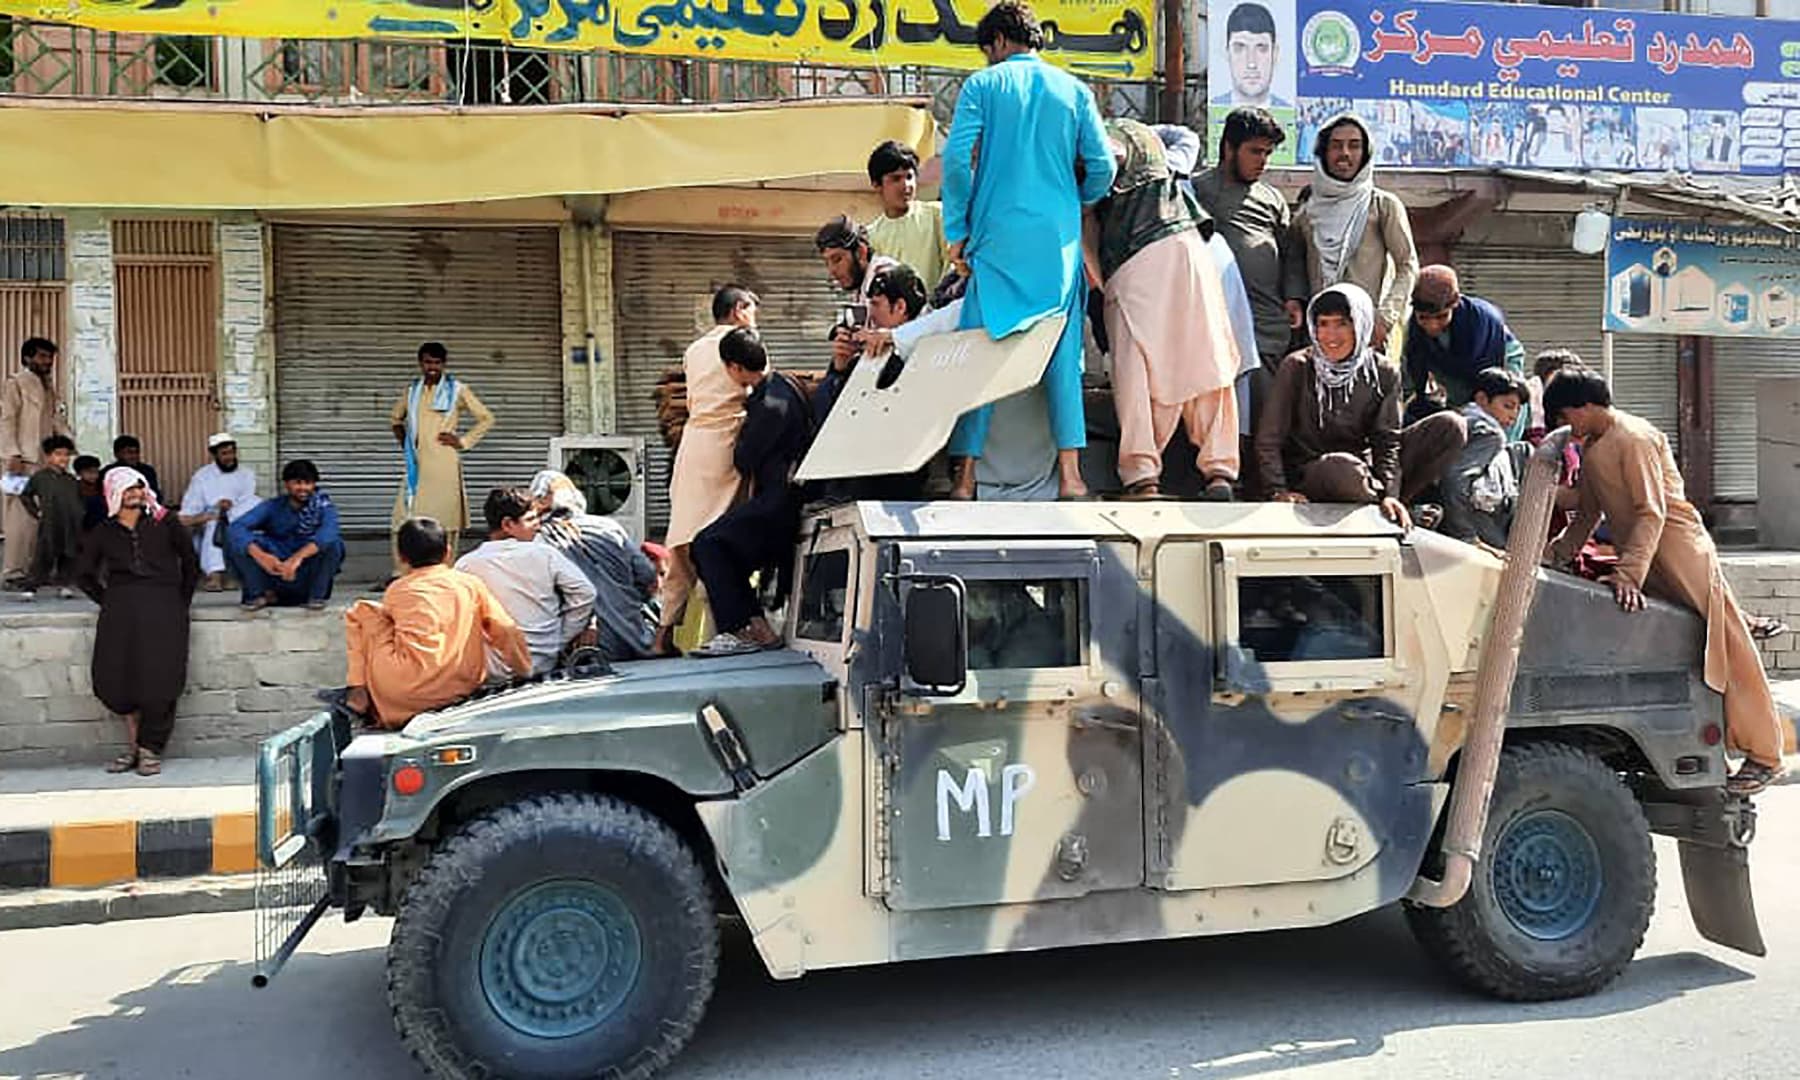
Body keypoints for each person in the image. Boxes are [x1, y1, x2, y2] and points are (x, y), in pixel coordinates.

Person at [1544, 370, 1786, 794]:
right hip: (1648, 556)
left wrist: (1628, 573)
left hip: (1678, 551)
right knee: (1687, 649)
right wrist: (1554, 556)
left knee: (1726, 644)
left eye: (1566, 414)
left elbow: (1651, 511)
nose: (1567, 425)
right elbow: (1588, 512)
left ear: (1584, 406)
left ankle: (1766, 755)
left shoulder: (1632, 437)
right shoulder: (1597, 445)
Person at [940, 0, 1116, 501]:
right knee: (1062, 357)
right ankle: (1072, 477)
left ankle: (966, 477)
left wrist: (957, 228)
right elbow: (1102, 166)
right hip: (1057, 247)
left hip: (994, 241)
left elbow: (955, 160)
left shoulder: (982, 86)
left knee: (980, 355)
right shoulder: (1075, 90)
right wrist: (1072, 202)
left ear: (996, 42)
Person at [1085, 119, 1242, 501]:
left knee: (1137, 365)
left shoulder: (1094, 144)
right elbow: (1186, 135)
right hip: (1189, 248)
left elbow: (1098, 182)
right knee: (1207, 356)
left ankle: (1142, 477)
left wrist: (1101, 281)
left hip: (1136, 260)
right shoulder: (1149, 138)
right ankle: (1220, 472)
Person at [1256, 283, 1465, 527]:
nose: (1330, 336)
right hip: (1316, 473)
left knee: (1451, 426)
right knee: (1340, 468)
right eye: (1323, 324)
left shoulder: (1384, 371)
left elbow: (1387, 441)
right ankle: (1392, 511)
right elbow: (1269, 438)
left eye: (1342, 324)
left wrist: (1390, 493)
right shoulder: (1297, 366)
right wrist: (1278, 490)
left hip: (1366, 472)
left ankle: (1393, 505)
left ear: (1361, 324)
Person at [339, 516, 531, 729]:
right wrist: (524, 672)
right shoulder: (469, 584)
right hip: (459, 689)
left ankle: (358, 690)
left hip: (401, 693)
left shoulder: (398, 589)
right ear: (448, 552)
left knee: (361, 612)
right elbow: (504, 629)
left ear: (401, 557)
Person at [1193, 108, 1298, 494]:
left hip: (1267, 326)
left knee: (1267, 416)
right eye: (1255, 152)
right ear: (1228, 148)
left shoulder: (1272, 198)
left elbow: (1291, 253)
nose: (1262, 161)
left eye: (1268, 153)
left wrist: (1294, 297)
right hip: (1217, 323)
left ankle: (1265, 489)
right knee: (1221, 408)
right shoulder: (1199, 190)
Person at [691, 328, 812, 653]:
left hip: (778, 505)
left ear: (734, 368)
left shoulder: (771, 402)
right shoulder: (782, 388)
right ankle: (759, 628)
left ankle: (738, 630)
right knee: (722, 554)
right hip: (782, 501)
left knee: (707, 545)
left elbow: (744, 459)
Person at [75, 467, 198, 777]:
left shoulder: (164, 521)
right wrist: (109, 601)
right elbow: (84, 574)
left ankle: (149, 750)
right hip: (121, 610)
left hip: (164, 606)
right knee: (119, 675)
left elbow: (191, 563)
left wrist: (179, 602)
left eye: (139, 488)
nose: (135, 494)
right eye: (128, 489)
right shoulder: (104, 531)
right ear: (114, 493)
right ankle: (133, 747)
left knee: (160, 677)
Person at [656, 285, 757, 656]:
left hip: (693, 447)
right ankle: (724, 631)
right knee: (719, 540)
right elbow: (756, 387)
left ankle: (662, 633)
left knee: (681, 540)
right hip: (725, 444)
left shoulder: (694, 350)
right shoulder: (742, 342)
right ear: (738, 310)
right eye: (751, 310)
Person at [1287, 114, 1419, 352]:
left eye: (1354, 145)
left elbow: (1407, 265)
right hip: (1321, 337)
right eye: (1336, 145)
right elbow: (1294, 265)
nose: (1345, 153)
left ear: (1366, 153)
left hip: (1368, 335)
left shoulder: (1382, 205)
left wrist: (1385, 319)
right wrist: (1295, 302)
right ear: (1323, 152)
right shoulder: (1307, 213)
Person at [818, 264, 932, 502]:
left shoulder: (927, 353)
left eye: (876, 305)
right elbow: (825, 414)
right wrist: (839, 367)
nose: (871, 315)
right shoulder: (866, 355)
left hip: (893, 488)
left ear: (900, 307)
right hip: (849, 485)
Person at [457, 487, 597, 676]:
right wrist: (561, 636)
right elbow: (586, 593)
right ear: (507, 524)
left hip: (491, 668)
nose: (538, 526)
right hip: (543, 661)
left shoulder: (465, 565)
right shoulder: (545, 554)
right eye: (530, 519)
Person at [529, 469, 658, 662]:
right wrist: (624, 599)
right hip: (636, 634)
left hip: (585, 644)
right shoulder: (609, 528)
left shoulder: (540, 541)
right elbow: (647, 575)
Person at [389, 341, 494, 572]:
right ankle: (401, 574)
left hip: (444, 462)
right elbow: (395, 420)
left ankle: (444, 572)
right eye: (428, 362)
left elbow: (486, 418)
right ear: (420, 363)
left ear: (444, 364)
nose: (432, 367)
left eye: (437, 363)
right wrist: (407, 444)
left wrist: (463, 441)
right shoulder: (411, 392)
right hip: (417, 464)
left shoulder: (458, 390)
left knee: (446, 521)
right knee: (402, 518)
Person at [1404, 265, 1527, 435]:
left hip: (1499, 361)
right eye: (1423, 318)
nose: (1432, 326)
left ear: (1455, 306)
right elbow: (1407, 381)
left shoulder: (1481, 322)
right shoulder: (1415, 334)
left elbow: (1499, 389)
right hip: (1453, 374)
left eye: (1441, 316)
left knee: (1504, 411)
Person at [227, 459, 345, 611]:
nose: (303, 488)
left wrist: (296, 559)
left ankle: (316, 597)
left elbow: (328, 534)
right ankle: (257, 595)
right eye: (297, 483)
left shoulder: (324, 507)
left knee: (334, 544)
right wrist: (262, 557)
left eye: (308, 483)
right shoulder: (272, 506)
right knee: (238, 540)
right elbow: (236, 528)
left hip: (305, 572)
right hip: (275, 570)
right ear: (287, 484)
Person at [2, 337, 73, 590]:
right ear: (28, 358)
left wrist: (69, 447)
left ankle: (36, 570)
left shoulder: (49, 386)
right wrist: (12, 454)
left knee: (42, 517)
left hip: (45, 462)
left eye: (50, 357)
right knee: (19, 517)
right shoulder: (16, 383)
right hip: (21, 460)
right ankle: (13, 572)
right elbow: (6, 419)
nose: (47, 362)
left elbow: (57, 421)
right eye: (42, 357)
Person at [1441, 368, 1530, 550]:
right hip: (1472, 527)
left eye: (1518, 409)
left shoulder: (1462, 417)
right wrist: (1466, 535)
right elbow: (1455, 480)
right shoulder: (1489, 434)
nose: (1513, 416)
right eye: (1508, 406)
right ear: (1482, 399)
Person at [817, 215, 901, 381]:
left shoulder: (883, 276)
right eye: (827, 262)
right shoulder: (862, 286)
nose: (832, 270)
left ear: (861, 252)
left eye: (837, 259)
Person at [178, 432, 262, 592]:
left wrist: (231, 508)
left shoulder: (247, 474)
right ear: (214, 455)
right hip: (211, 519)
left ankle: (235, 574)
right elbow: (188, 513)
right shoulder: (202, 477)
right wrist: (216, 509)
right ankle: (215, 574)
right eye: (224, 454)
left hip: (239, 517)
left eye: (232, 452)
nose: (229, 457)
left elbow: (247, 501)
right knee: (215, 523)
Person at [865, 140, 948, 292]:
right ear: (877, 185)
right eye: (896, 179)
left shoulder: (937, 216)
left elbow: (952, 267)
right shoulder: (871, 236)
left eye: (909, 177)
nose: (906, 185)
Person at [20, 434, 82, 598]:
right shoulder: (40, 477)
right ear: (48, 457)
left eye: (66, 454)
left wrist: (80, 514)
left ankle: (64, 585)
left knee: (68, 554)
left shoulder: (71, 480)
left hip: (70, 523)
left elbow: (79, 500)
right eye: (58, 454)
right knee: (43, 554)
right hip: (49, 522)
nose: (63, 458)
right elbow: (25, 495)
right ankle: (30, 587)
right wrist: (36, 512)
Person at [1211, 3, 1292, 109]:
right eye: (1240, 48)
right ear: (1227, 52)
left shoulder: (1289, 111)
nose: (1251, 64)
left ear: (1275, 54)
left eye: (1261, 48)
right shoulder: (1213, 108)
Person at [99, 435, 162, 503]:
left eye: (136, 452)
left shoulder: (147, 470)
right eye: (129, 452)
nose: (133, 456)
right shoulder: (108, 472)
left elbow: (155, 494)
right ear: (116, 454)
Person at [75, 454, 105, 532]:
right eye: (89, 472)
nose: (93, 475)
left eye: (95, 471)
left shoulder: (102, 487)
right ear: (79, 473)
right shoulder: (74, 489)